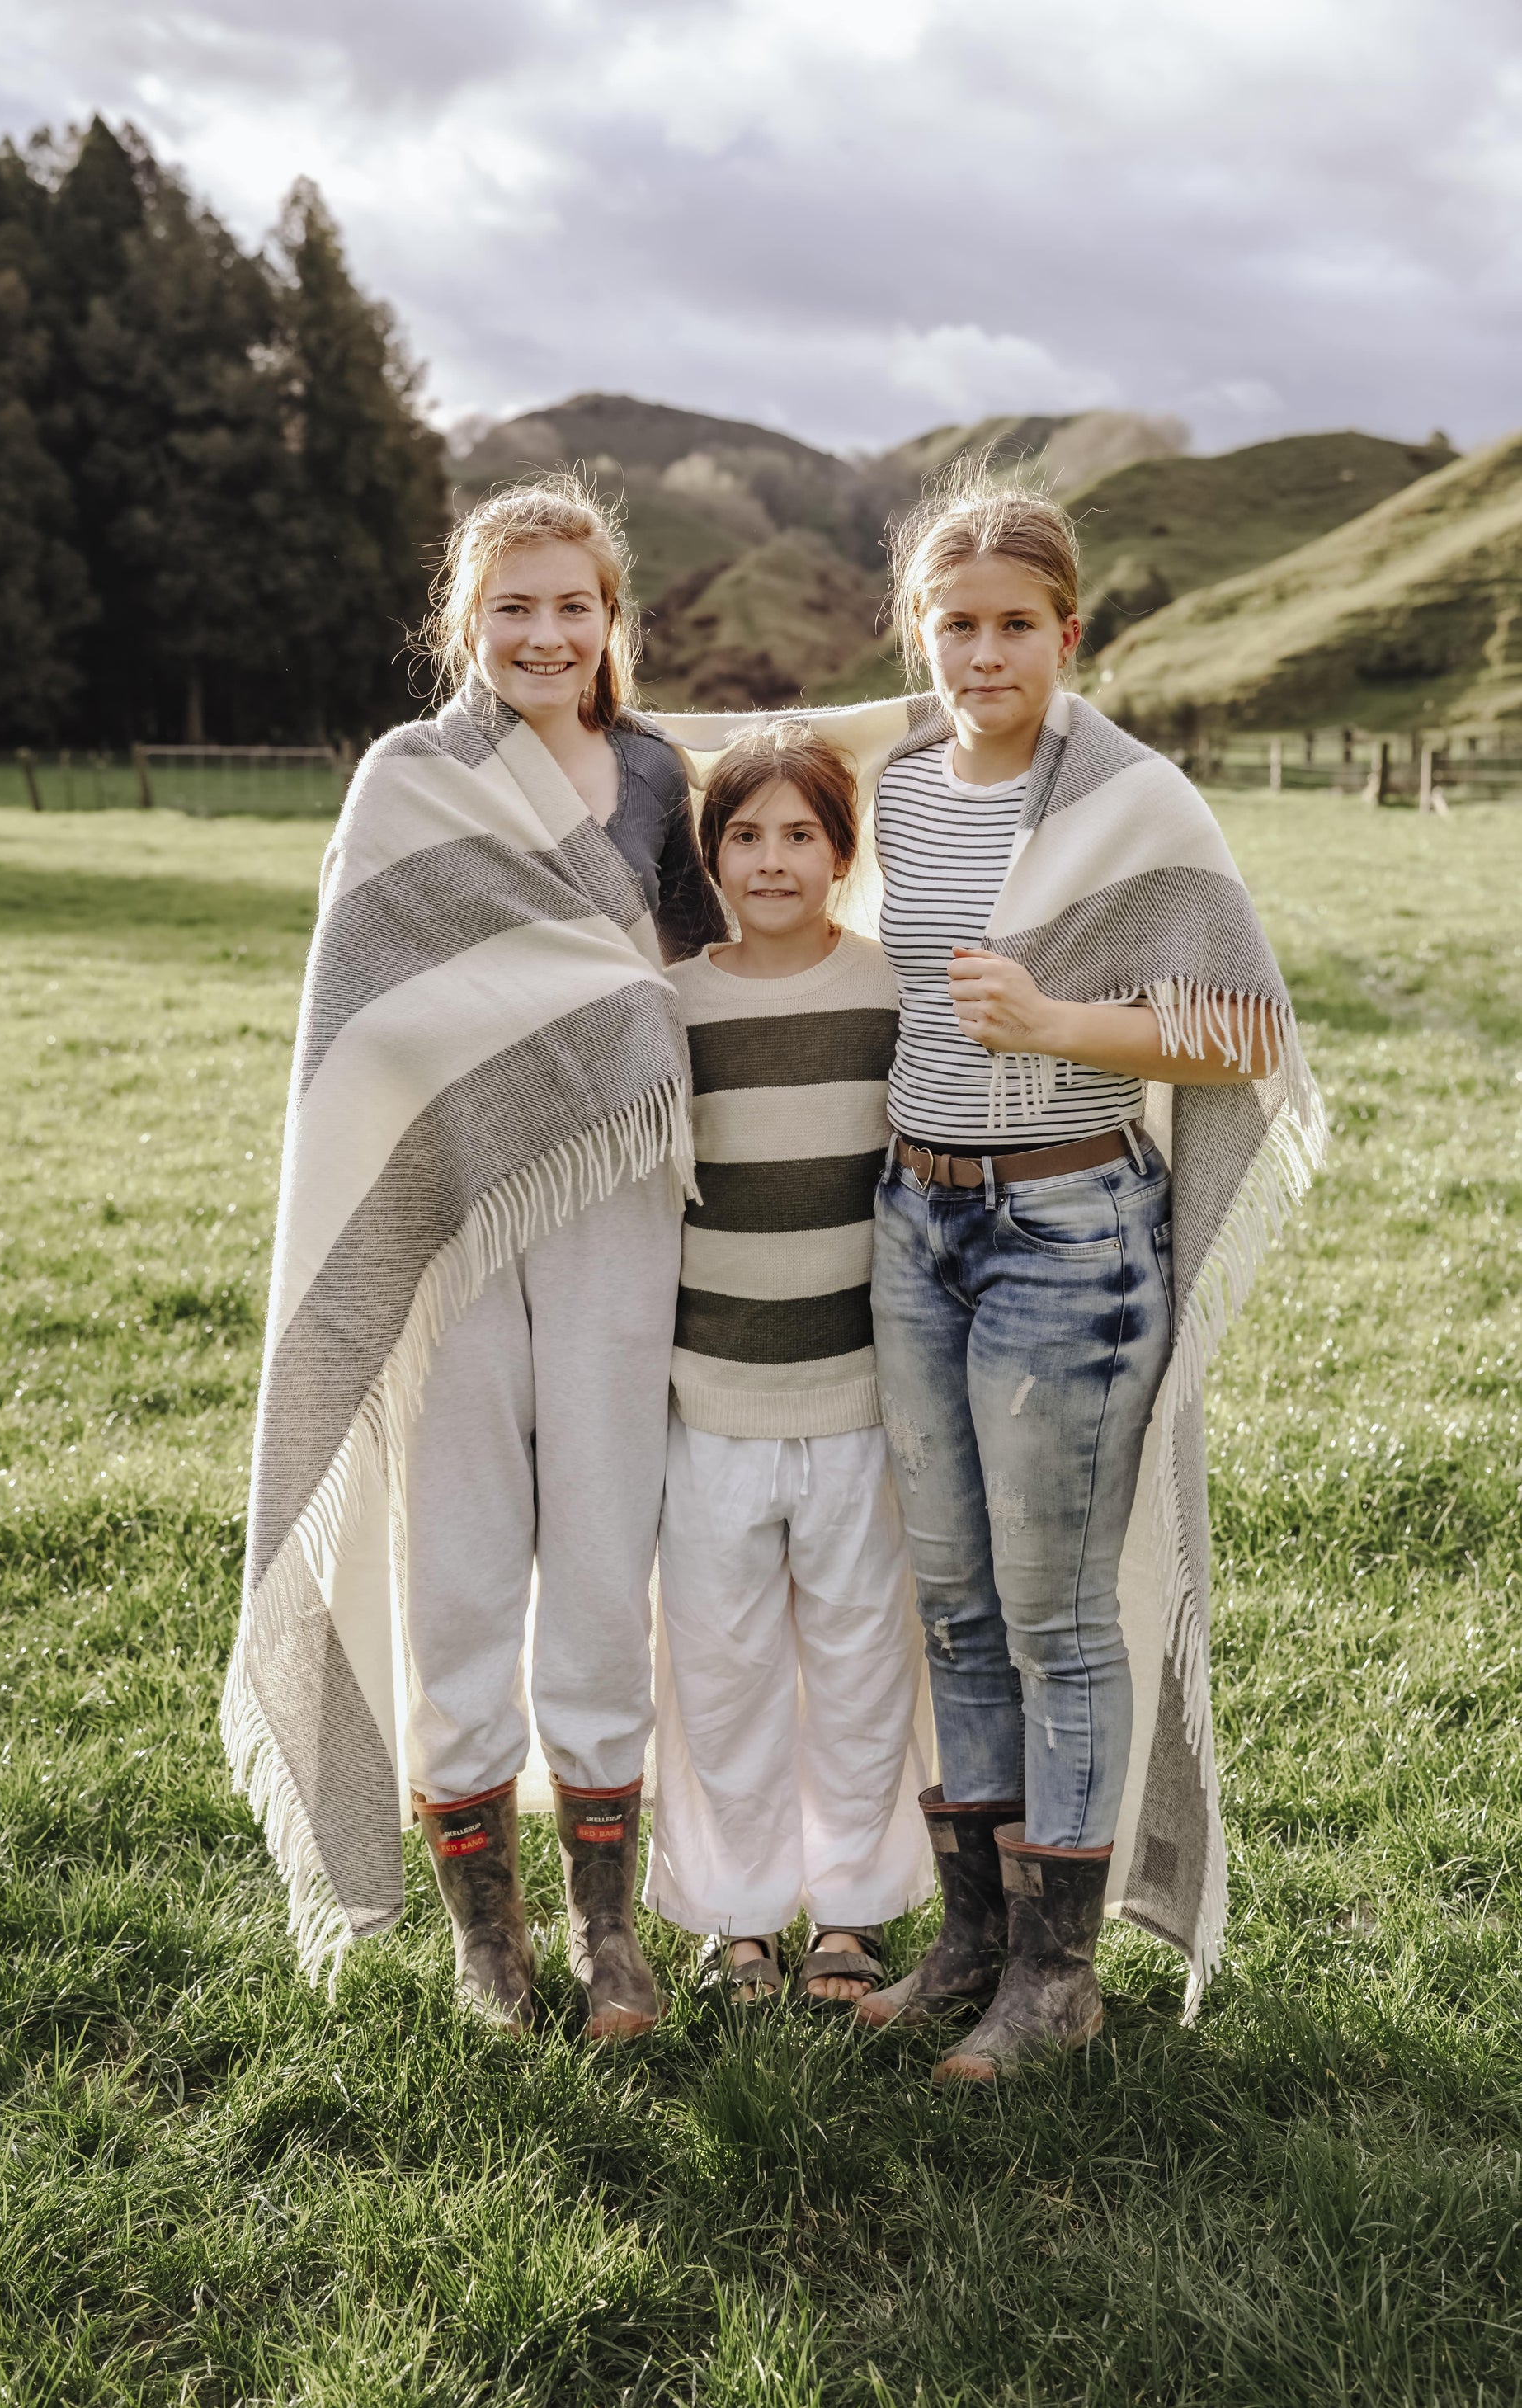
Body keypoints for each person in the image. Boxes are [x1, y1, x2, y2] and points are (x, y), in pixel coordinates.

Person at [224, 474, 724, 2035]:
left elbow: (687, 972)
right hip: (447, 1220)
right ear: (466, 618)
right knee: (451, 1563)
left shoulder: (652, 775)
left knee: (598, 1550)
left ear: (610, 622)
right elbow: (360, 1022)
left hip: (615, 1203)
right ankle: (484, 1943)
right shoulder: (407, 780)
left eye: (574, 605)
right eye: (514, 604)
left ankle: (607, 1932)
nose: (545, 632)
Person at [840, 478, 1310, 2078]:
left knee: (1053, 1616)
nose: (982, 652)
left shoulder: (1136, 801)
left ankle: (1057, 1973)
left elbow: (1246, 1033)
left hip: (1068, 1237)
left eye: (1013, 626)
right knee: (954, 1608)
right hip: (913, 1224)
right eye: (952, 624)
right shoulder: (899, 790)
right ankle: (967, 1938)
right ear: (921, 633)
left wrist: (1059, 1026)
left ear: (1069, 633)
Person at [642, 725, 931, 2005]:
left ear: (840, 852)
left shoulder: (888, 995)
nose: (771, 860)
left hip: (858, 1397)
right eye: (744, 835)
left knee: (865, 1661)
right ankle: (736, 1918)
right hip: (710, 1399)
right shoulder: (670, 1003)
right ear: (709, 857)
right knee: (719, 1665)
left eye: (799, 835)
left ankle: (851, 1914)